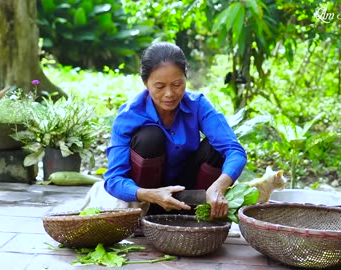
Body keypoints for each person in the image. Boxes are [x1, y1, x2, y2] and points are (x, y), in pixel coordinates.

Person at [103, 42, 247, 220]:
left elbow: (235, 151)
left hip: (190, 191)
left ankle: (197, 212)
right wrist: (149, 194)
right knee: (150, 137)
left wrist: (219, 186)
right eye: (160, 86)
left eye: (177, 84)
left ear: (186, 78)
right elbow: (113, 180)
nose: (169, 93)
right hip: (147, 198)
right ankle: (150, 214)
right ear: (145, 83)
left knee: (215, 147)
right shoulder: (129, 115)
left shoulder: (198, 104)